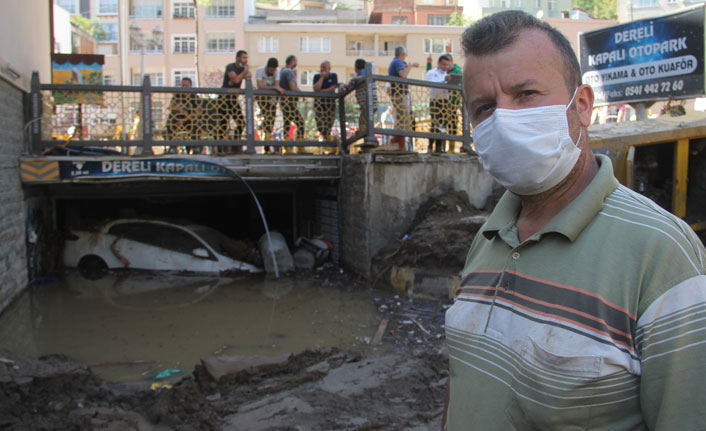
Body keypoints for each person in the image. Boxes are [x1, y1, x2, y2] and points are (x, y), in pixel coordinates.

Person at [444, 10, 706, 431]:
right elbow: (463, 384)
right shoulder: (488, 237)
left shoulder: (661, 255)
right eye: (485, 107)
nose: (505, 121)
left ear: (581, 106)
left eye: (526, 94)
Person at [218, 50, 250, 152]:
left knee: (241, 123)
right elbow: (236, 79)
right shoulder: (231, 67)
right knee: (223, 123)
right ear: (238, 58)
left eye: (246, 58)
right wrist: (243, 73)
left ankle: (235, 144)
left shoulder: (242, 69)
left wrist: (239, 76)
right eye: (244, 58)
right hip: (224, 99)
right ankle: (221, 147)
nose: (246, 60)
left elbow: (249, 76)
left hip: (233, 100)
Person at [388, 46, 418, 150]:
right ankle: (398, 144)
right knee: (403, 119)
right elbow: (403, 74)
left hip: (399, 93)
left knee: (402, 119)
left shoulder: (395, 62)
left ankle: (399, 144)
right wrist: (411, 65)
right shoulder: (397, 62)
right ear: (403, 54)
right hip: (399, 94)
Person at [255, 57, 285, 152]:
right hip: (262, 98)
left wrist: (272, 88)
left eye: (274, 70)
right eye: (271, 70)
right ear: (267, 67)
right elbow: (260, 86)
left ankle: (267, 142)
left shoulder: (278, 71)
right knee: (265, 117)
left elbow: (277, 85)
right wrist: (274, 88)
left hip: (272, 99)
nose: (272, 72)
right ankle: (265, 143)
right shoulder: (260, 70)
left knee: (271, 119)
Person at [346, 59, 378, 143]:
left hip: (369, 104)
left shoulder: (364, 72)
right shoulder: (362, 74)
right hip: (369, 104)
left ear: (356, 68)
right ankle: (368, 138)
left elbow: (365, 77)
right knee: (365, 122)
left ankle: (368, 139)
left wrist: (353, 79)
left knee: (364, 122)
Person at [425, 55, 452, 153]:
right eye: (444, 64)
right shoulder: (432, 73)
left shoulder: (447, 74)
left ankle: (439, 147)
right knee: (435, 123)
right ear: (439, 63)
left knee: (443, 124)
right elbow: (432, 85)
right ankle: (430, 146)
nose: (445, 67)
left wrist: (450, 86)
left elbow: (448, 90)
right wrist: (444, 80)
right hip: (435, 100)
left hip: (445, 100)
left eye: (447, 65)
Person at [165, 77, 199, 153]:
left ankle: (195, 146)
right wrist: (182, 110)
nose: (185, 88)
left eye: (186, 85)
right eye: (183, 85)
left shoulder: (195, 97)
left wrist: (183, 121)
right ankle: (173, 147)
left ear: (191, 85)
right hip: (177, 120)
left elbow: (196, 112)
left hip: (189, 121)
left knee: (197, 123)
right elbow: (171, 106)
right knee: (170, 122)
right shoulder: (177, 95)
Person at [279, 54, 305, 152]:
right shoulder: (289, 72)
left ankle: (286, 147)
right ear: (293, 61)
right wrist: (301, 93)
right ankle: (300, 146)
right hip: (290, 102)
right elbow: (293, 87)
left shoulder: (281, 71)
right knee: (300, 123)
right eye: (296, 61)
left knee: (287, 123)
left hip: (283, 102)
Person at [312, 60, 339, 142]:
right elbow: (315, 88)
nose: (322, 69)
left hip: (330, 105)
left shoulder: (333, 76)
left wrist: (321, 92)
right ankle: (327, 139)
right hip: (319, 105)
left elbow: (333, 88)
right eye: (321, 67)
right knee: (320, 124)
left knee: (329, 123)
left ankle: (328, 140)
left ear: (329, 68)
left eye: (324, 67)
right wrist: (322, 78)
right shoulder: (317, 77)